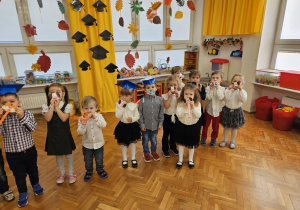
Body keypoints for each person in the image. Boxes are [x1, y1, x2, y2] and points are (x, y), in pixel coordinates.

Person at [0, 84, 43, 207]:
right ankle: (23, 192)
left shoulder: (27, 113)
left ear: (18, 102)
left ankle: (35, 184)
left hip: (29, 150)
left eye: (12, 101)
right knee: (19, 175)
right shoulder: (3, 117)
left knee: (33, 170)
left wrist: (22, 116)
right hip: (12, 154)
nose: (8, 105)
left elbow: (32, 128)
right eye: (4, 103)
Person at [42, 83, 76, 184]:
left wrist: (57, 107)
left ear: (63, 94)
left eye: (58, 92)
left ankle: (71, 173)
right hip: (53, 135)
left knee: (69, 155)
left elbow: (64, 118)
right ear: (48, 94)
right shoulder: (46, 106)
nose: (54, 95)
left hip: (64, 135)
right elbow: (48, 118)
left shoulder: (68, 106)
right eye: (51, 92)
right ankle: (62, 173)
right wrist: (52, 106)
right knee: (58, 155)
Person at [77, 96, 108, 181]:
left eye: (91, 108)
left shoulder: (99, 116)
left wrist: (96, 118)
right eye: (86, 108)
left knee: (99, 159)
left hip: (99, 144)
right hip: (87, 145)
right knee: (88, 160)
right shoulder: (81, 119)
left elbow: (103, 125)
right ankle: (89, 171)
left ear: (96, 108)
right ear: (83, 109)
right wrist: (83, 124)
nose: (89, 110)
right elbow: (80, 132)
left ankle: (100, 169)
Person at [114, 80, 141, 168]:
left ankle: (133, 158)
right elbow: (117, 115)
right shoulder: (118, 104)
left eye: (126, 95)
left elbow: (137, 116)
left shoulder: (134, 105)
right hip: (123, 127)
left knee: (133, 143)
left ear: (131, 96)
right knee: (124, 144)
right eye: (122, 95)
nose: (124, 97)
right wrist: (122, 107)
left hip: (132, 127)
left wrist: (132, 119)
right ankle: (124, 159)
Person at [175, 83, 202, 169]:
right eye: (186, 94)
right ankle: (180, 159)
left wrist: (193, 106)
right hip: (182, 126)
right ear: (183, 94)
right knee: (181, 144)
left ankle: (190, 159)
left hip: (193, 127)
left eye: (191, 94)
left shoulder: (197, 103)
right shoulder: (180, 103)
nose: (188, 96)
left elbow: (198, 115)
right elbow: (179, 115)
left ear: (195, 95)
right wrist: (183, 107)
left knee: (192, 144)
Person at [139, 77, 164, 162]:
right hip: (145, 126)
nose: (151, 89)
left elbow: (161, 113)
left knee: (154, 140)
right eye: (148, 88)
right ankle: (146, 153)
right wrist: (142, 125)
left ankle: (153, 152)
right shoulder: (142, 101)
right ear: (145, 90)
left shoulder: (160, 100)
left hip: (155, 126)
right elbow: (140, 114)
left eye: (153, 87)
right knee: (145, 140)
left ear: (156, 88)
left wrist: (160, 124)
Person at [219, 73, 247, 149]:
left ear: (242, 83)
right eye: (234, 81)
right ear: (231, 81)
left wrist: (240, 89)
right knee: (226, 127)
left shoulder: (242, 91)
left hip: (236, 111)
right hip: (227, 111)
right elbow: (225, 98)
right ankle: (224, 140)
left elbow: (243, 99)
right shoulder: (228, 90)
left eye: (238, 82)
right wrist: (228, 89)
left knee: (234, 128)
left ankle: (232, 141)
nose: (236, 83)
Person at [200, 70, 225, 147]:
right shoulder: (208, 88)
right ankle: (203, 138)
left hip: (217, 111)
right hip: (209, 110)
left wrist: (217, 88)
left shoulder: (222, 89)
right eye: (213, 78)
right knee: (206, 125)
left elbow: (221, 98)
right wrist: (211, 89)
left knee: (215, 127)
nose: (215, 79)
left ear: (221, 80)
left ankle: (213, 139)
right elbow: (208, 98)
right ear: (211, 79)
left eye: (217, 78)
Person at [161, 75, 180, 157]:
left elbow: (180, 105)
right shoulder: (164, 96)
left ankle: (173, 146)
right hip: (167, 117)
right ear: (167, 86)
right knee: (166, 133)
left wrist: (177, 96)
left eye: (175, 85)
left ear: (177, 86)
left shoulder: (178, 95)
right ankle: (165, 149)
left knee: (174, 133)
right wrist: (169, 97)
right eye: (171, 85)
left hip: (176, 116)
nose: (173, 87)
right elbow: (166, 106)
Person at [188, 70, 206, 134]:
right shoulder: (187, 86)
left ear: (199, 79)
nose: (195, 79)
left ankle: (197, 135)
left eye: (197, 78)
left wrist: (199, 92)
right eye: (193, 77)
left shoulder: (202, 87)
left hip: (198, 108)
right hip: (189, 107)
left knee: (198, 123)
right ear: (190, 78)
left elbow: (203, 98)